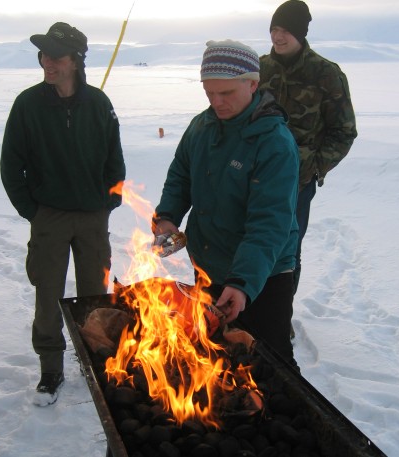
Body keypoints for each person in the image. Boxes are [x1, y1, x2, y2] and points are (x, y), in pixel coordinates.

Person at [152, 40, 300, 367]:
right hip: (208, 263)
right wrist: (166, 217)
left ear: (252, 83)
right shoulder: (201, 127)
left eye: (226, 93)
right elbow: (180, 177)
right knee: (214, 348)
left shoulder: (274, 142)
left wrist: (243, 283)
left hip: (264, 273)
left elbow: (268, 224)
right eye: (209, 93)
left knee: (269, 357)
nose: (217, 102)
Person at [0, 22, 126, 406]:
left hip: (92, 217)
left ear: (75, 61)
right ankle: (50, 368)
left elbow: (114, 160)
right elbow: (11, 165)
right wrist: (33, 212)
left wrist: (110, 200)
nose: (47, 62)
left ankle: (98, 361)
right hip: (49, 217)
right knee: (48, 294)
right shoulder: (28, 104)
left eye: (55, 55)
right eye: (43, 55)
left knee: (94, 297)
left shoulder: (99, 103)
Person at [259, 0, 358, 336]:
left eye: (285, 29)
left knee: (286, 249)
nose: (278, 35)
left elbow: (343, 130)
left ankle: (277, 316)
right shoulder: (258, 69)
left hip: (296, 182)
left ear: (300, 32)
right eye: (273, 28)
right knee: (250, 240)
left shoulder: (325, 74)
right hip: (253, 176)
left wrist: (316, 167)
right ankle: (246, 308)